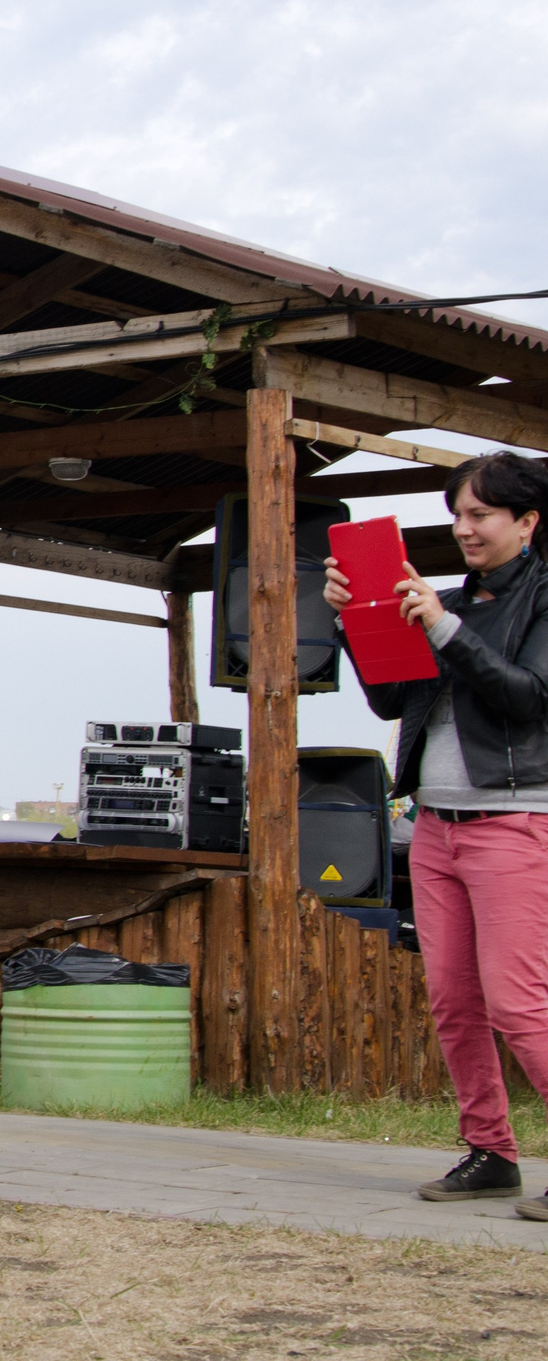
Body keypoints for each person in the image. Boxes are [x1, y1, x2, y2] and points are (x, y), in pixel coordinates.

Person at [326, 451, 548, 1218]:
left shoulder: (540, 602)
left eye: (481, 515)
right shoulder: (440, 600)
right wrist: (356, 621)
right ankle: (491, 1152)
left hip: (517, 822)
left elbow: (526, 699)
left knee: (519, 1004)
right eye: (458, 515)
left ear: (527, 522)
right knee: (453, 1000)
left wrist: (446, 626)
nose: (465, 528)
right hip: (436, 828)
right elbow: (392, 702)